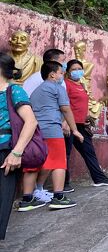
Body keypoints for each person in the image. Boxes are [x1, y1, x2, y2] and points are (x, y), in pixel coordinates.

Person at [20, 61, 83, 210]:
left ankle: (27, 199)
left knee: (33, 164)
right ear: (52, 74)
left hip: (35, 132)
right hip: (53, 131)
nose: (63, 75)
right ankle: (58, 197)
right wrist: (74, 130)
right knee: (59, 163)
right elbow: (66, 110)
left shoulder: (36, 92)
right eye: (61, 73)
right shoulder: (57, 87)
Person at [0, 54, 37, 252]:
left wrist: (16, 152)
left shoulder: (14, 91)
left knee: (2, 201)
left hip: (5, 151)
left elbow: (30, 121)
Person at [63, 60, 108, 187]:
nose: (77, 71)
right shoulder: (65, 85)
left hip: (81, 125)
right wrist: (64, 121)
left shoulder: (81, 85)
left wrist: (86, 116)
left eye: (79, 68)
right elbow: (63, 104)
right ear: (68, 72)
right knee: (66, 154)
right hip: (69, 125)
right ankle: (64, 184)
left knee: (89, 151)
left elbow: (82, 103)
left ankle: (99, 178)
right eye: (74, 69)